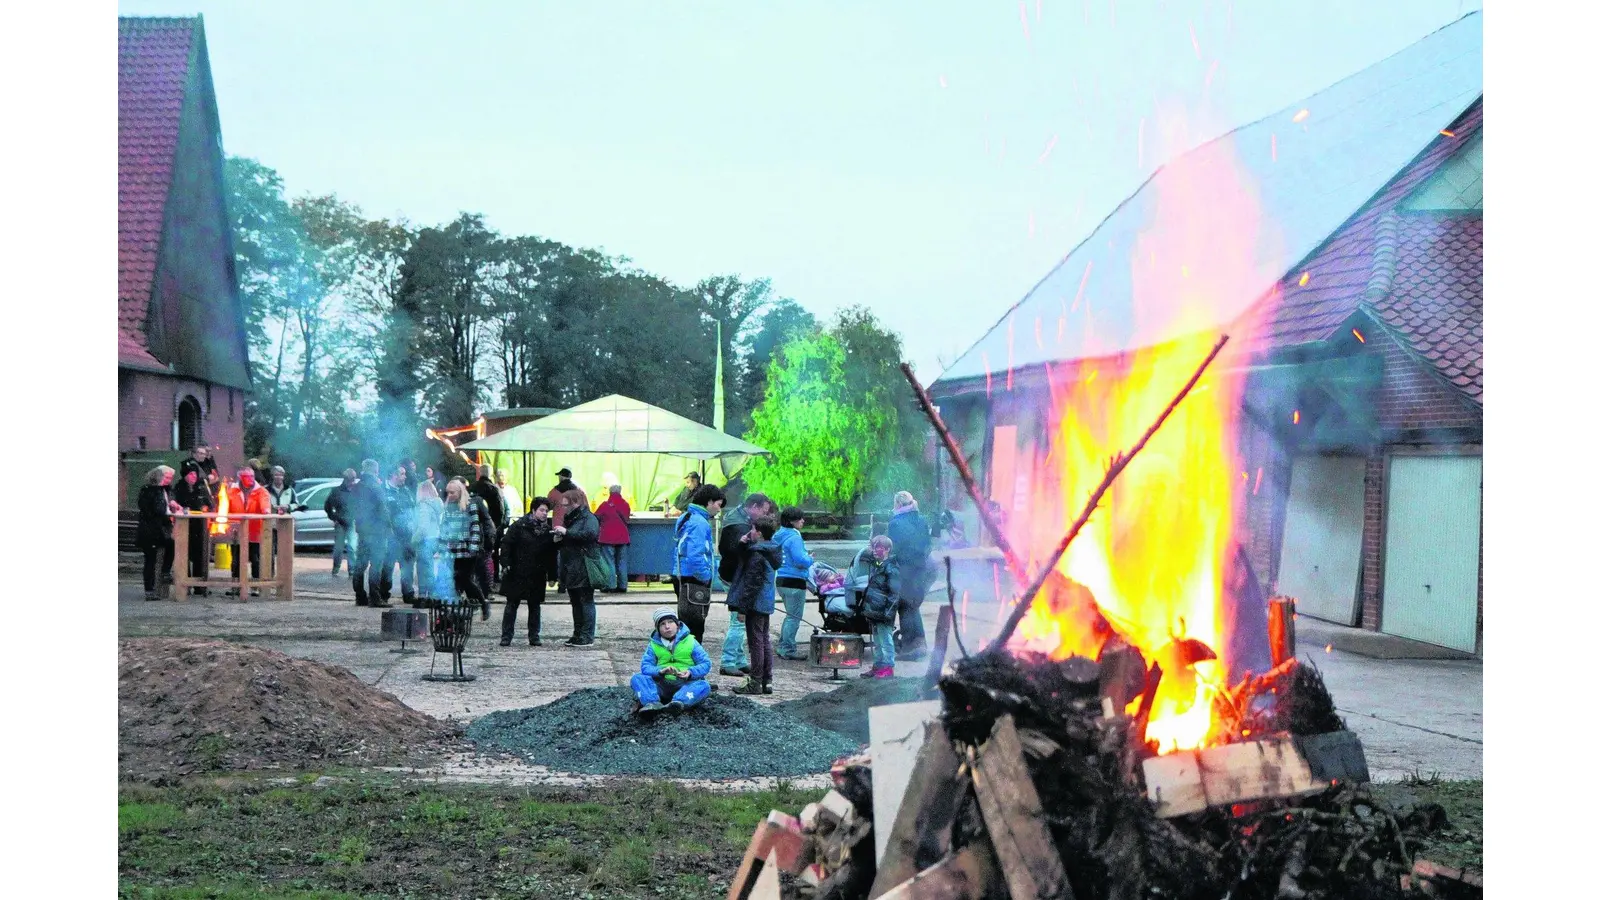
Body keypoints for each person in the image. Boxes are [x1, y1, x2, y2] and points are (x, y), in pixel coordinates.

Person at [716, 493, 777, 677]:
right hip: (735, 577)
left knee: (739, 621)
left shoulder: (736, 517)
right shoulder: (739, 526)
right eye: (763, 512)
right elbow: (733, 552)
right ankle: (727, 661)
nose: (764, 516)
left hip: (732, 574)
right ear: (754, 507)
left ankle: (739, 660)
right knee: (738, 622)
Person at [726, 515, 781, 695]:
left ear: (759, 532)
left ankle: (755, 682)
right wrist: (742, 545)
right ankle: (767, 680)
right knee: (764, 640)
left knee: (756, 642)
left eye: (753, 529)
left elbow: (750, 584)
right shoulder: (770, 550)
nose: (750, 532)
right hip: (765, 602)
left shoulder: (757, 554)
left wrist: (742, 609)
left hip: (755, 604)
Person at [630, 607, 713, 717]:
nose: (667, 627)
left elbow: (706, 663)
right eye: (662, 624)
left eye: (670, 622)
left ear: (677, 624)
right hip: (661, 685)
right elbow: (645, 667)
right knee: (637, 678)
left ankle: (678, 703)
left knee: (704, 686)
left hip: (685, 684)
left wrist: (690, 672)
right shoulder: (653, 645)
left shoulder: (691, 641)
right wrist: (660, 671)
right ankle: (652, 703)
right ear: (658, 628)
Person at [499, 497, 559, 646]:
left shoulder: (548, 530)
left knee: (535, 606)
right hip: (517, 571)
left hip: (536, 573)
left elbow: (551, 554)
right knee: (512, 604)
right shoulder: (519, 525)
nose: (545, 513)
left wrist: (552, 575)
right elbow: (506, 544)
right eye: (542, 510)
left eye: (546, 511)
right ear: (533, 510)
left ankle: (534, 636)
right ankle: (506, 636)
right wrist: (505, 563)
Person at [671, 483, 723, 643]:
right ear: (709, 502)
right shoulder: (700, 523)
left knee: (685, 624)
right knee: (695, 628)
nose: (719, 509)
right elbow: (695, 555)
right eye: (718, 505)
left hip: (681, 574)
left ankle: (684, 661)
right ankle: (691, 665)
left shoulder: (685, 517)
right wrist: (706, 577)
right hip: (694, 578)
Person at [885, 491, 934, 660]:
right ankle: (920, 643)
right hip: (921, 569)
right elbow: (928, 544)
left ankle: (909, 646)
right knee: (913, 605)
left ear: (898, 504)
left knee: (904, 606)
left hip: (904, 570)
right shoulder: (921, 520)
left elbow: (893, 549)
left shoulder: (895, 523)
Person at [553, 487, 601, 646]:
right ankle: (578, 633)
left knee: (585, 600)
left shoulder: (588, 518)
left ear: (576, 503)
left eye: (566, 505)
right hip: (572, 566)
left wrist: (566, 533)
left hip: (584, 565)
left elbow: (590, 534)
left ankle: (587, 636)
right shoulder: (573, 519)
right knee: (575, 601)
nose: (564, 509)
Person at [850, 535, 901, 678]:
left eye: (877, 547)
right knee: (877, 642)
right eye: (873, 546)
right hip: (875, 611)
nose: (873, 550)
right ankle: (878, 666)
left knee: (886, 641)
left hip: (884, 613)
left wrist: (888, 613)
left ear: (887, 550)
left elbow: (894, 593)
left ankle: (888, 668)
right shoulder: (878, 566)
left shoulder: (891, 568)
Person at [773, 507, 816, 660]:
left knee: (789, 616)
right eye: (800, 519)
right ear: (791, 521)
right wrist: (810, 558)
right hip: (795, 580)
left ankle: (783, 645)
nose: (803, 521)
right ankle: (787, 649)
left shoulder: (778, 535)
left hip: (781, 580)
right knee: (794, 617)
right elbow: (800, 561)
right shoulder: (794, 538)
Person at [441, 478, 489, 614]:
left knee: (465, 579)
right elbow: (444, 527)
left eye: (452, 493)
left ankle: (482, 602)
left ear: (460, 492)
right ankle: (456, 609)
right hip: (453, 549)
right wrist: (441, 544)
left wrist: (473, 546)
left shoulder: (470, 505)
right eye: (448, 493)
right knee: (455, 578)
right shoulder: (448, 507)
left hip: (467, 549)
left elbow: (475, 526)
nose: (449, 495)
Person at [136, 465, 182, 600]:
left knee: (172, 544)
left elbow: (167, 501)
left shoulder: (165, 491)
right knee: (150, 560)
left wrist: (172, 504)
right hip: (150, 531)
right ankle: (149, 590)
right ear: (158, 478)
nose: (168, 480)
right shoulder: (149, 491)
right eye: (166, 477)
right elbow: (158, 510)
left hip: (161, 530)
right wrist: (169, 510)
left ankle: (166, 571)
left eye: (170, 478)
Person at [350, 459, 391, 607]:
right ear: (375, 470)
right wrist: (389, 527)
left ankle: (360, 596)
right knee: (376, 565)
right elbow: (383, 509)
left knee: (360, 564)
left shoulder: (357, 487)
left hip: (362, 530)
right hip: (377, 531)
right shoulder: (376, 486)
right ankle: (375, 597)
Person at [226, 467, 272, 594]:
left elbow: (265, 505)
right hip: (237, 532)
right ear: (240, 478)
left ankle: (255, 587)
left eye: (252, 476)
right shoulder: (232, 490)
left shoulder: (261, 491)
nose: (251, 479)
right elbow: (225, 507)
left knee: (255, 559)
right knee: (236, 560)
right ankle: (236, 586)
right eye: (247, 476)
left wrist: (266, 511)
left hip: (255, 531)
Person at [172, 466, 215, 596]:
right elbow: (174, 502)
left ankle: (199, 585)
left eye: (195, 474)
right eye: (191, 474)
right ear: (185, 476)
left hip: (200, 526)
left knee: (200, 556)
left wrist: (208, 510)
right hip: (184, 525)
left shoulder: (201, 487)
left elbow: (210, 503)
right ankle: (185, 583)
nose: (194, 477)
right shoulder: (179, 487)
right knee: (184, 555)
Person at [379, 465, 418, 606]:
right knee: (387, 567)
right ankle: (383, 595)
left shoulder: (406, 491)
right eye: (402, 474)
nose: (405, 476)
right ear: (394, 475)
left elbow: (413, 510)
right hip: (390, 537)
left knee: (407, 566)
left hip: (407, 537)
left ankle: (408, 594)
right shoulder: (383, 491)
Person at [469, 464, 506, 590]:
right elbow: (501, 511)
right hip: (491, 528)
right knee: (491, 556)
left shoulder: (472, 488)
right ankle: (492, 581)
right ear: (490, 474)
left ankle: (474, 580)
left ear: (480, 473)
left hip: (473, 527)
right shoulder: (495, 489)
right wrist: (496, 527)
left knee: (474, 555)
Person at [594, 484, 632, 594]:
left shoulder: (605, 505)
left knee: (608, 562)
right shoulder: (625, 504)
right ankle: (622, 586)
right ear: (620, 492)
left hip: (607, 537)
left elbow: (596, 516)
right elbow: (627, 518)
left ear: (610, 493)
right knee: (622, 562)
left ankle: (610, 585)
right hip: (623, 537)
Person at [324, 469, 358, 576]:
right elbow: (327, 506)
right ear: (346, 479)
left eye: (354, 479)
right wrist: (333, 517)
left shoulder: (357, 491)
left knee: (352, 547)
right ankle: (336, 567)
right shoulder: (336, 491)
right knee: (338, 548)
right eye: (351, 480)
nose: (353, 482)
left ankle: (352, 570)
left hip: (352, 523)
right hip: (340, 523)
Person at [415, 479, 444, 598]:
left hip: (425, 540)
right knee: (431, 567)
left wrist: (414, 539)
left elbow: (423, 527)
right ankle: (432, 593)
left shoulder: (424, 505)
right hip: (435, 538)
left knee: (423, 568)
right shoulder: (439, 503)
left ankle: (423, 595)